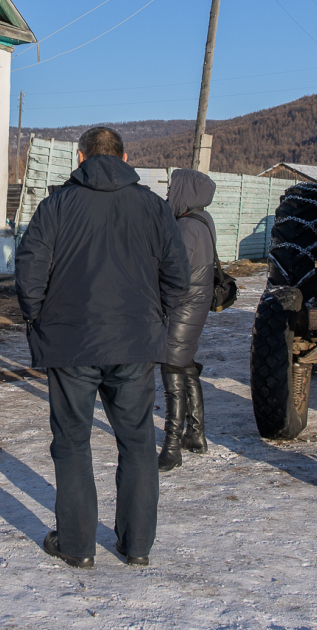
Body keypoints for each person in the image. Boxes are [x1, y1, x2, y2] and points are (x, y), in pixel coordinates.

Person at [15, 126, 190, 568]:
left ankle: (76, 546)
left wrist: (37, 317)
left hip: (70, 339)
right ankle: (137, 547)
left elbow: (29, 270)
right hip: (134, 341)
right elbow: (178, 276)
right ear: (125, 157)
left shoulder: (56, 205)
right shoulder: (152, 206)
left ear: (81, 158)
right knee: (135, 441)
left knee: (72, 441)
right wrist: (157, 319)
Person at [158, 168, 218, 471]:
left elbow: (173, 275)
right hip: (197, 304)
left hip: (182, 306)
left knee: (171, 368)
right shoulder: (204, 220)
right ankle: (196, 435)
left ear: (186, 191)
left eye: (172, 189)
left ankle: (172, 447)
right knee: (186, 366)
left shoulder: (185, 227)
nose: (169, 194)